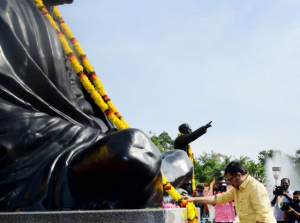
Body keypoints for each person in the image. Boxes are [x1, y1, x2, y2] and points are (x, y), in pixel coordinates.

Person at [0, 0, 192, 211]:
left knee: (181, 160)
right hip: (39, 146)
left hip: (90, 138)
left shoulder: (55, 24)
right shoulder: (7, 9)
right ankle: (145, 183)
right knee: (133, 151)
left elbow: (86, 107)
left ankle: (145, 181)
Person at [183, 161, 276, 223]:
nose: (230, 183)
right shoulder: (237, 188)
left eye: (230, 180)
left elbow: (263, 218)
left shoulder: (255, 188)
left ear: (238, 175)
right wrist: (193, 198)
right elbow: (218, 198)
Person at [174, 122, 212, 193]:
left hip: (186, 176)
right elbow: (191, 136)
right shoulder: (180, 139)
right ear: (184, 130)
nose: (191, 131)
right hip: (182, 175)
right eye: (189, 129)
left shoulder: (184, 141)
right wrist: (203, 128)